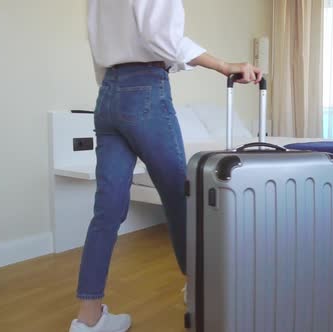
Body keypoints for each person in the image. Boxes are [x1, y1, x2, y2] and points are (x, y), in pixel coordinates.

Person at [70, 1, 262, 331]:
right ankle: (199, 293)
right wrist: (222, 64)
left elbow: (98, 36)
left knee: (107, 210)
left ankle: (87, 319)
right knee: (179, 197)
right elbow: (161, 38)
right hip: (145, 89)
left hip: (107, 95)